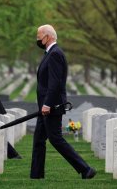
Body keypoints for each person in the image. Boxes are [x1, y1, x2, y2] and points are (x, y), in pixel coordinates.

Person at [30, 24, 96, 179]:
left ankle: (85, 169)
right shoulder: (49, 53)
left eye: (39, 37)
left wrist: (47, 104)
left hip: (51, 106)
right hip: (44, 107)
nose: (37, 40)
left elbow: (55, 83)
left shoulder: (55, 54)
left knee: (56, 139)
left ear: (48, 36)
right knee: (39, 140)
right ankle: (36, 175)